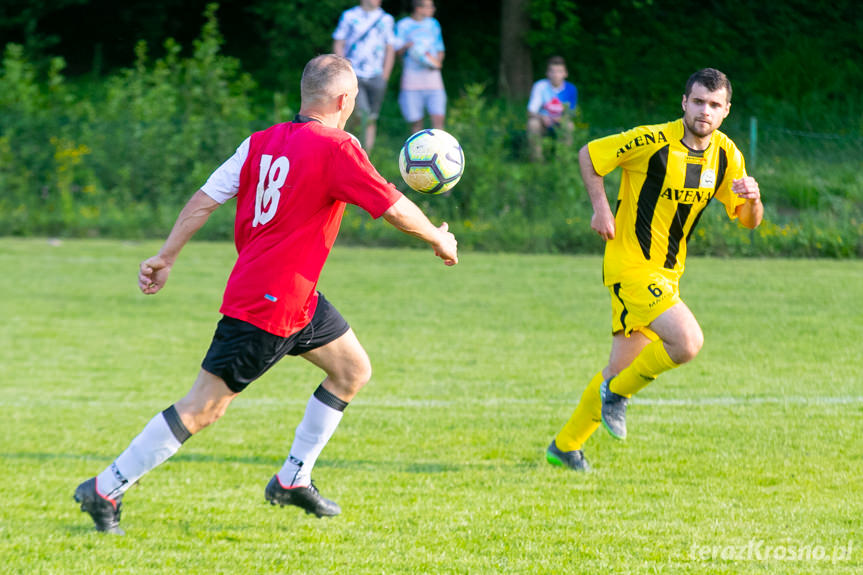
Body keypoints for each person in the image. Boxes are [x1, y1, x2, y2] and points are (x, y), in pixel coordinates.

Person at [73, 54, 459, 534]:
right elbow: (393, 205)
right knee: (203, 407)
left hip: (296, 299)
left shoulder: (260, 142)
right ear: (343, 100)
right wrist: (439, 238)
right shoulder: (338, 147)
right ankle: (105, 487)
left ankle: (292, 479)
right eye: (354, 99)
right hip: (267, 306)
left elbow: (205, 198)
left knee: (352, 369)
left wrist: (166, 256)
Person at [545, 68, 763, 472]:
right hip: (630, 265)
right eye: (698, 102)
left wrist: (752, 199)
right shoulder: (651, 141)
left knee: (621, 368)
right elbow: (590, 156)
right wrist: (601, 208)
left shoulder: (726, 154)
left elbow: (748, 221)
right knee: (687, 342)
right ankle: (617, 395)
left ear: (726, 110)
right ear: (684, 102)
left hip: (668, 273)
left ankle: (565, 446)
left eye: (714, 105)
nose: (705, 111)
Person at [332, 0, 396, 151]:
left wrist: (385, 76)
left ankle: (366, 155)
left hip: (377, 76)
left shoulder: (386, 19)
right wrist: (342, 70)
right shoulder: (349, 16)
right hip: (354, 74)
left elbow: (390, 48)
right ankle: (346, 145)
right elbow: (339, 42)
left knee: (371, 117)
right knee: (361, 114)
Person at [394, 0, 446, 134]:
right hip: (411, 81)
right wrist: (407, 47)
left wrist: (436, 64)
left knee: (438, 120)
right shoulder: (403, 25)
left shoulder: (434, 24)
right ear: (418, 8)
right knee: (416, 123)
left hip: (434, 81)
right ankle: (417, 152)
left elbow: (440, 49)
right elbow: (397, 52)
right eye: (429, 6)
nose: (433, 9)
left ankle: (439, 151)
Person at [527, 56, 578, 162]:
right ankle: (537, 161)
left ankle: (563, 159)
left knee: (569, 125)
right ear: (547, 73)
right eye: (552, 71)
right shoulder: (540, 86)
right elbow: (531, 111)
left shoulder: (571, 89)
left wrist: (561, 119)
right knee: (533, 123)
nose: (555, 75)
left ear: (565, 73)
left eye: (559, 71)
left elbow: (571, 113)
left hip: (560, 122)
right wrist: (542, 117)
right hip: (542, 122)